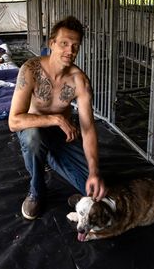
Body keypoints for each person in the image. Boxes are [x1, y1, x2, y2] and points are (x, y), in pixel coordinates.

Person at [8, 16, 106, 220]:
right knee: (34, 138)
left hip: (62, 136)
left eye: (75, 46)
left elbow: (88, 129)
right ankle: (37, 190)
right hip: (33, 130)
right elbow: (14, 121)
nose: (70, 51)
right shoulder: (30, 70)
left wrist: (95, 171)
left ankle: (52, 158)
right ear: (51, 43)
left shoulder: (80, 81)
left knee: (95, 190)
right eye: (64, 43)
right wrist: (57, 119)